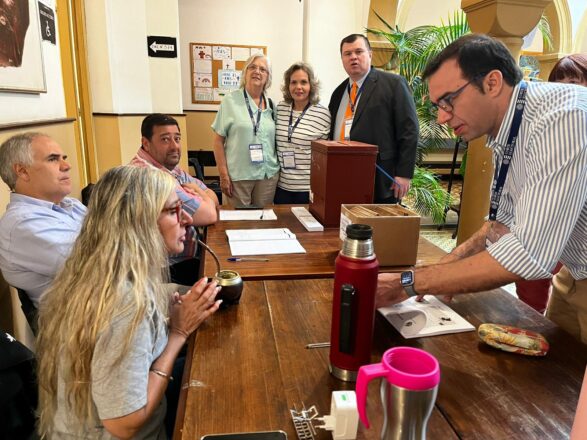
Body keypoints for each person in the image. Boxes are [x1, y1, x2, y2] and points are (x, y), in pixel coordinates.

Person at [376, 34, 587, 343]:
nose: (442, 117)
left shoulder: (563, 117)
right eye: (437, 106)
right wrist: (450, 263)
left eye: (448, 100)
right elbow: (500, 225)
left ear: (492, 83)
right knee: (557, 362)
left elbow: (527, 253)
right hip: (573, 272)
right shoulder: (509, 127)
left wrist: (409, 282)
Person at [36, 166, 222, 439]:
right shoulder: (128, 305)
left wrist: (180, 303)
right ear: (140, 222)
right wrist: (178, 333)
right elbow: (124, 423)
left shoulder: (93, 272)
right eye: (173, 211)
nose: (187, 219)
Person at [515, 54, 587, 313]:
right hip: (565, 262)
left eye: (574, 82)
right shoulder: (548, 129)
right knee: (535, 308)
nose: (565, 89)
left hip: (575, 255)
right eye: (558, 82)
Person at [328, 34, 419, 203]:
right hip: (343, 175)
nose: (353, 57)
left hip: (381, 178)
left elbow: (409, 130)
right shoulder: (338, 93)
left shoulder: (394, 84)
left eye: (358, 51)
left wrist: (404, 174)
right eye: (347, 54)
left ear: (370, 54)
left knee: (378, 220)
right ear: (342, 59)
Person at [131, 113, 219, 285]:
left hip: (185, 256)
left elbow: (212, 196)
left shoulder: (168, 167)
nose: (174, 146)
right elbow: (209, 215)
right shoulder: (150, 176)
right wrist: (201, 195)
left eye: (177, 139)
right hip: (165, 269)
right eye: (165, 139)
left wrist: (200, 193)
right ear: (146, 143)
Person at [0, 132, 86, 307]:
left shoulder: (71, 205)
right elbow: (103, 264)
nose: (67, 166)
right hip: (89, 319)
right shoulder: (23, 224)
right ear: (22, 171)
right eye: (53, 159)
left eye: (64, 158)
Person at [212, 53, 279, 207]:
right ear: (245, 72)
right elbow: (217, 141)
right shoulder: (230, 101)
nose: (257, 71)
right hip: (238, 177)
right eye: (252, 67)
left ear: (268, 77)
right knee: (238, 219)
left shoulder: (271, 105)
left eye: (263, 69)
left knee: (264, 218)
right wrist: (223, 175)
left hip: (267, 176)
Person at [274, 62, 331, 204]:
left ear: (311, 85)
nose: (298, 87)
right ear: (288, 85)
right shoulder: (280, 109)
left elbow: (324, 156)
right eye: (293, 82)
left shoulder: (322, 114)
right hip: (281, 187)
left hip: (308, 188)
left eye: (303, 82)